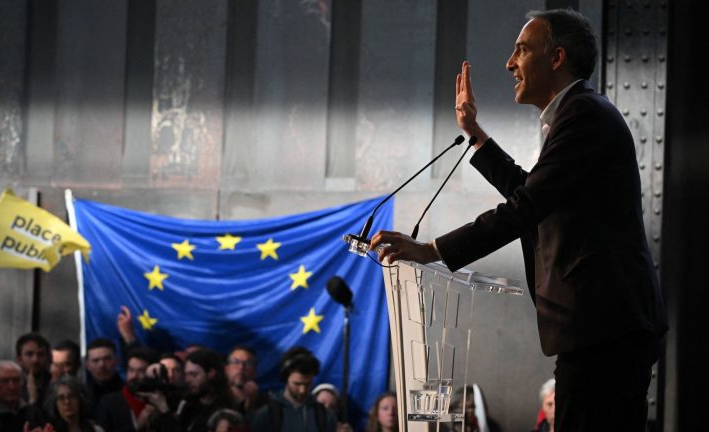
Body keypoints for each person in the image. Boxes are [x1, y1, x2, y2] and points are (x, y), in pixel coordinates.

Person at [370, 8, 667, 430]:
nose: (510, 63)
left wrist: (432, 249)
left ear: (557, 57)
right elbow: (532, 193)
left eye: (522, 50)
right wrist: (474, 133)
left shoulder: (584, 115)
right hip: (606, 329)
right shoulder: (579, 115)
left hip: (604, 329)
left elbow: (526, 206)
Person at [250, 347, 336, 432]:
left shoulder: (326, 416)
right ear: (285, 378)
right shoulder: (266, 415)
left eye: (307, 384)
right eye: (297, 384)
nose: (302, 390)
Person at [95, 346, 159, 432]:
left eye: (141, 371)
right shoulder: (109, 403)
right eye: (131, 370)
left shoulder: (161, 402)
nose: (134, 376)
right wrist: (137, 425)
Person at [83, 338, 123, 406]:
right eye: (96, 360)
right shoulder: (82, 397)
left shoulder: (128, 394)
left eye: (107, 359)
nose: (102, 365)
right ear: (87, 365)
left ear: (116, 361)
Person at [16, 333, 52, 405]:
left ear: (47, 358)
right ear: (19, 359)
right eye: (29, 354)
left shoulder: (55, 387)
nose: (35, 360)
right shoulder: (12, 387)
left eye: (41, 354)